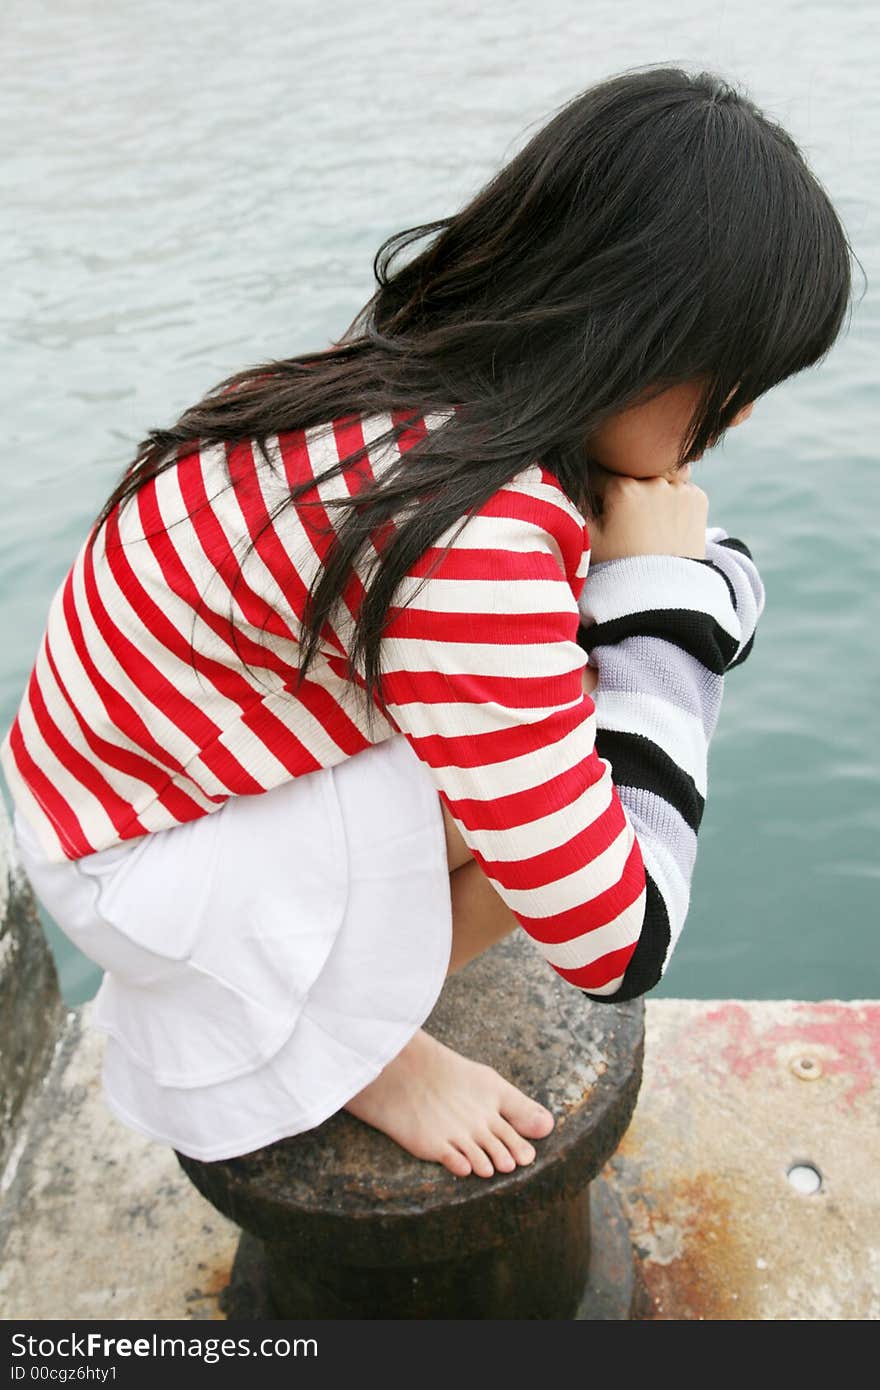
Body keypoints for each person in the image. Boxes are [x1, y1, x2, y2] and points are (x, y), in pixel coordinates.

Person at [1, 66, 852, 1180]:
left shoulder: (427, 403)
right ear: (647, 339)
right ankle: (352, 1049)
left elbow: (710, 594)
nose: (738, 413)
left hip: (108, 793)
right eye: (738, 378)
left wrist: (668, 597)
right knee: (582, 753)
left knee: (549, 736)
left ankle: (343, 986)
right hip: (140, 860)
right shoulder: (478, 532)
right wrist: (663, 621)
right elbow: (621, 936)